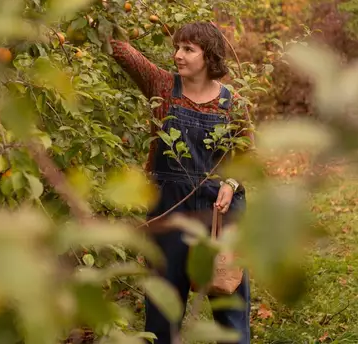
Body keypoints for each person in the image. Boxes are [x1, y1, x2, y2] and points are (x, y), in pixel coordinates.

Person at [109, 22, 254, 343]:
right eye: (177, 47)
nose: (177, 55)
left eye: (188, 49)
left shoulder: (233, 103)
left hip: (220, 207)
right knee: (164, 301)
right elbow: (122, 51)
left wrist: (230, 182)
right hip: (169, 206)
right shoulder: (162, 86)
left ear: (209, 56)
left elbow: (247, 153)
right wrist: (97, 12)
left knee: (228, 300)